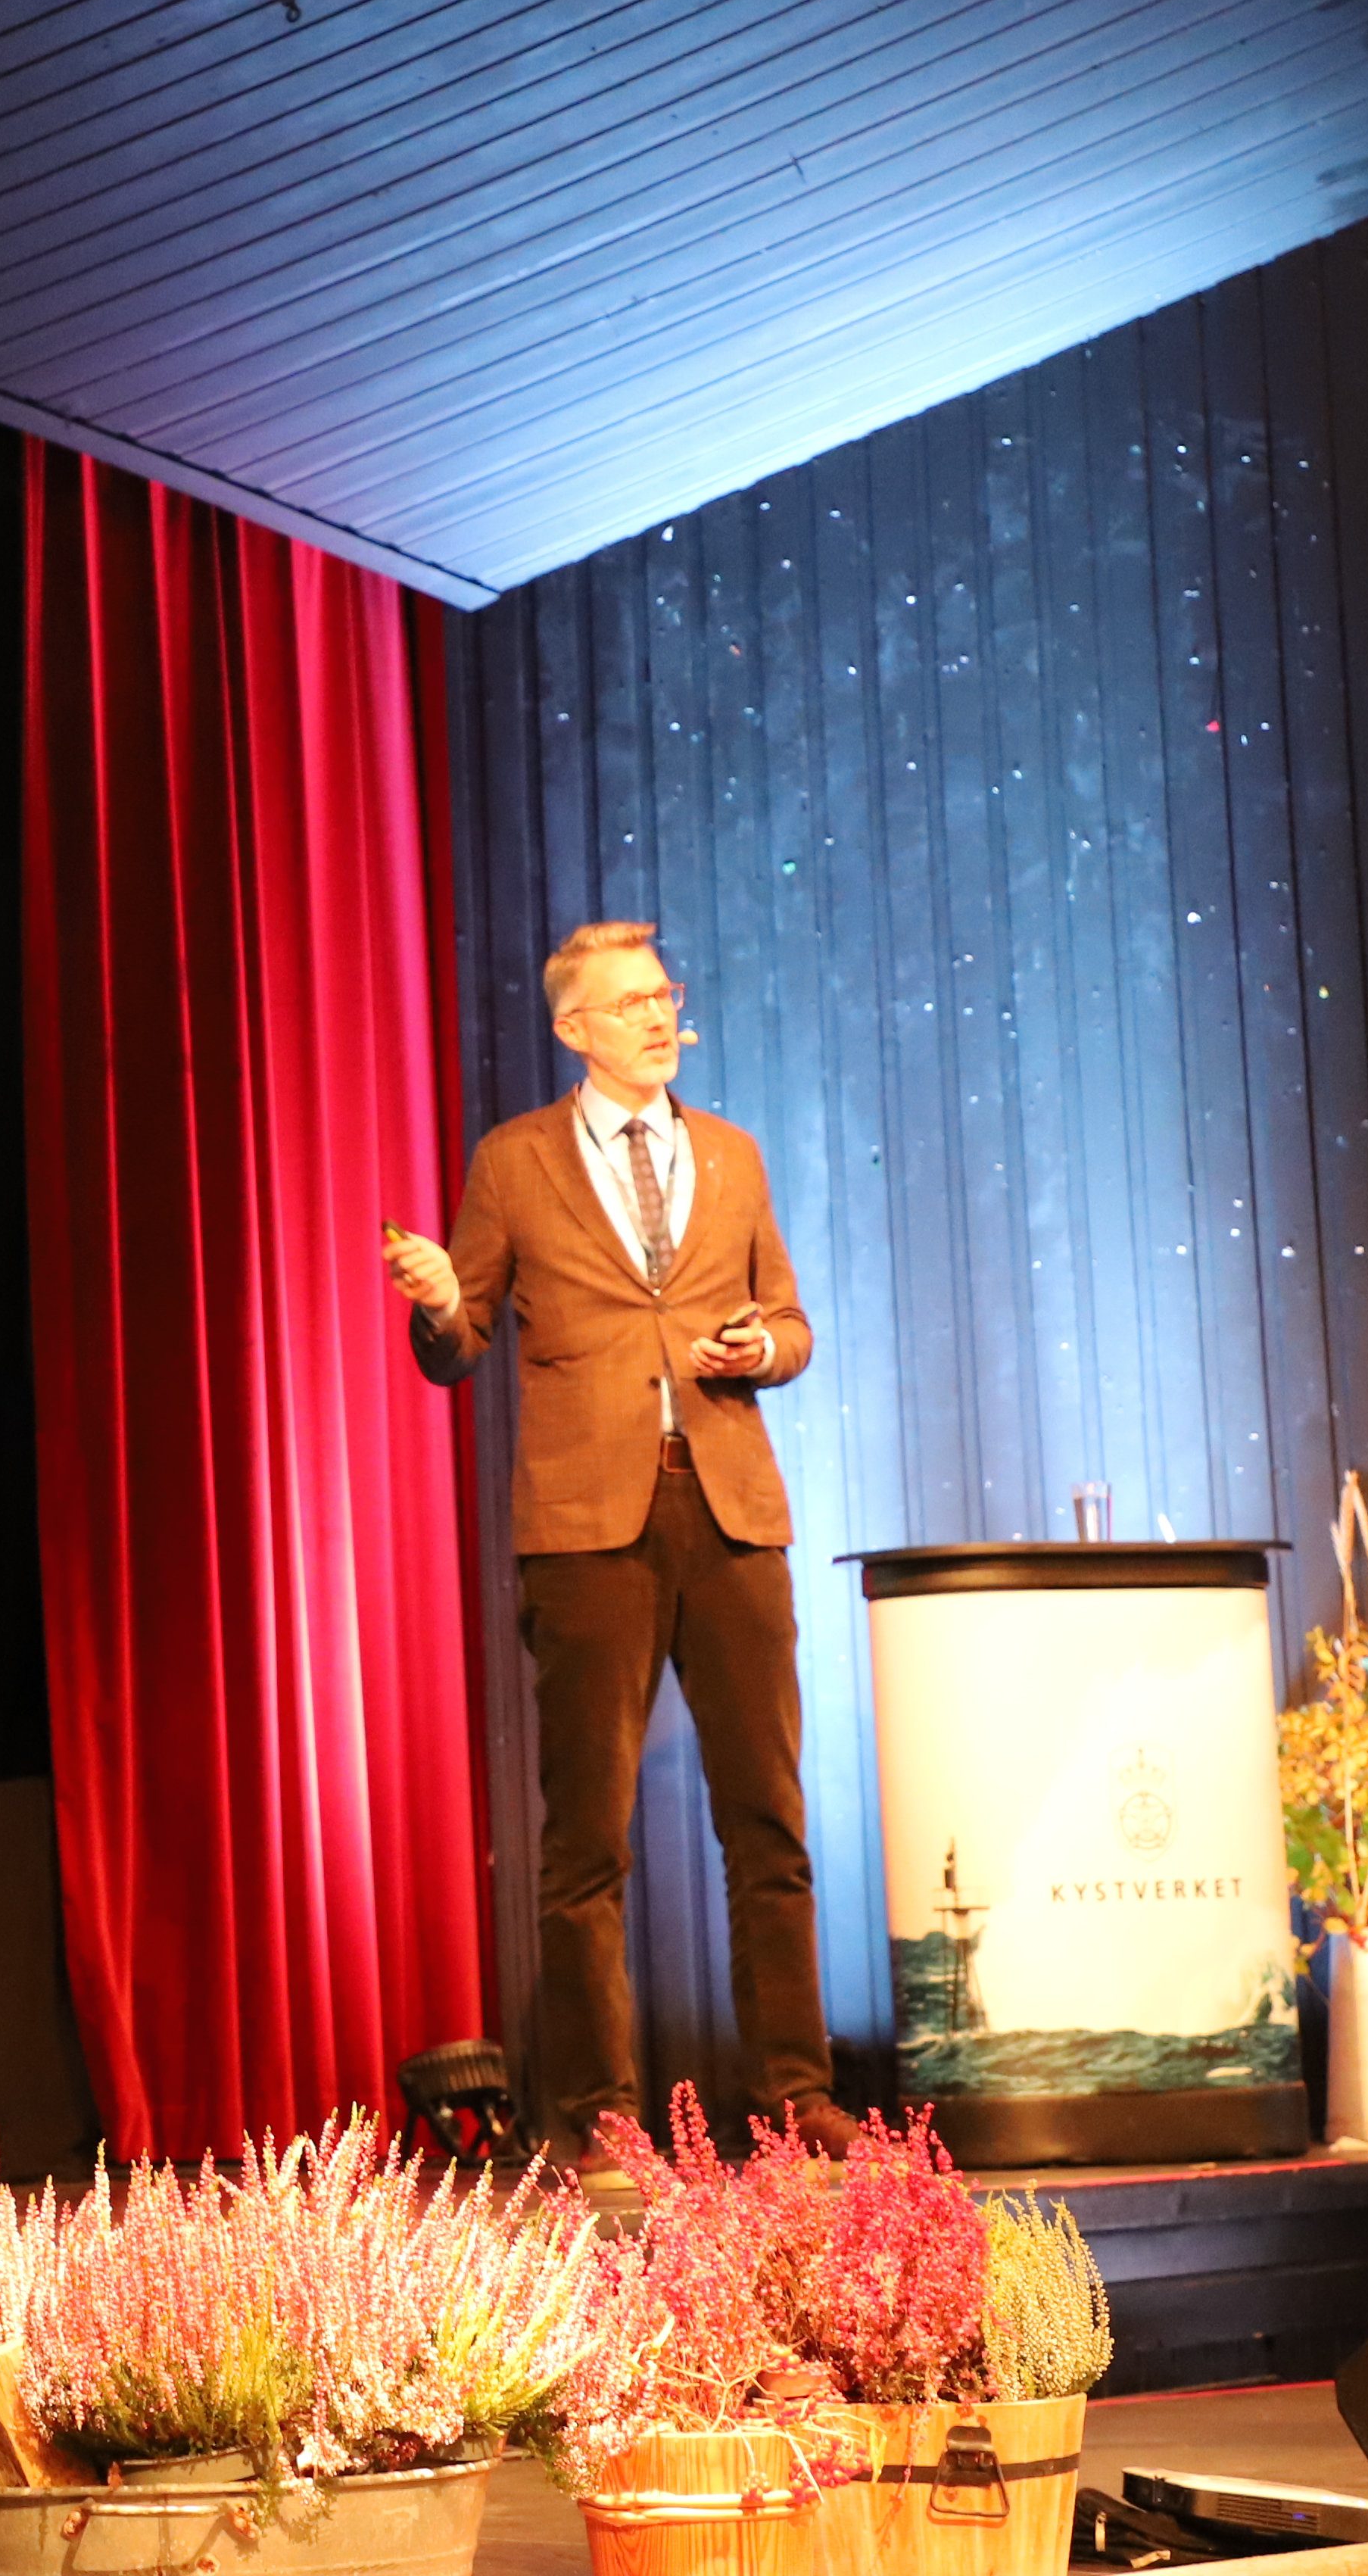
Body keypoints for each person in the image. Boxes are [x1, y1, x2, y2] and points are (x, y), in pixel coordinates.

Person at [382, 919, 847, 2159]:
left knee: (771, 1822)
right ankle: (603, 2119)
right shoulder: (516, 1160)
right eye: (629, 1002)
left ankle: (795, 2099)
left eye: (665, 996)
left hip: (732, 1510)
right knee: (587, 1840)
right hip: (589, 1529)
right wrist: (437, 1303)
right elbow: (463, 1338)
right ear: (572, 1026)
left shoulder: (733, 1155)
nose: (657, 1017)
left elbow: (793, 1321)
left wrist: (765, 1351)